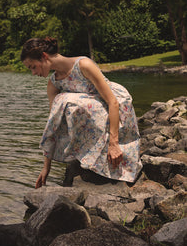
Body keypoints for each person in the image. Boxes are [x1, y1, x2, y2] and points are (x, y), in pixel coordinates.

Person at [21, 37, 142, 188]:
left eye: (33, 67)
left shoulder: (83, 65)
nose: (33, 73)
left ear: (44, 56)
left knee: (64, 100)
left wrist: (114, 144)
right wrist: (46, 167)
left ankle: (107, 149)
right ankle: (88, 155)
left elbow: (113, 102)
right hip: (96, 113)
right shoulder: (54, 83)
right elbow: (53, 125)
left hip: (117, 109)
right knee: (61, 104)